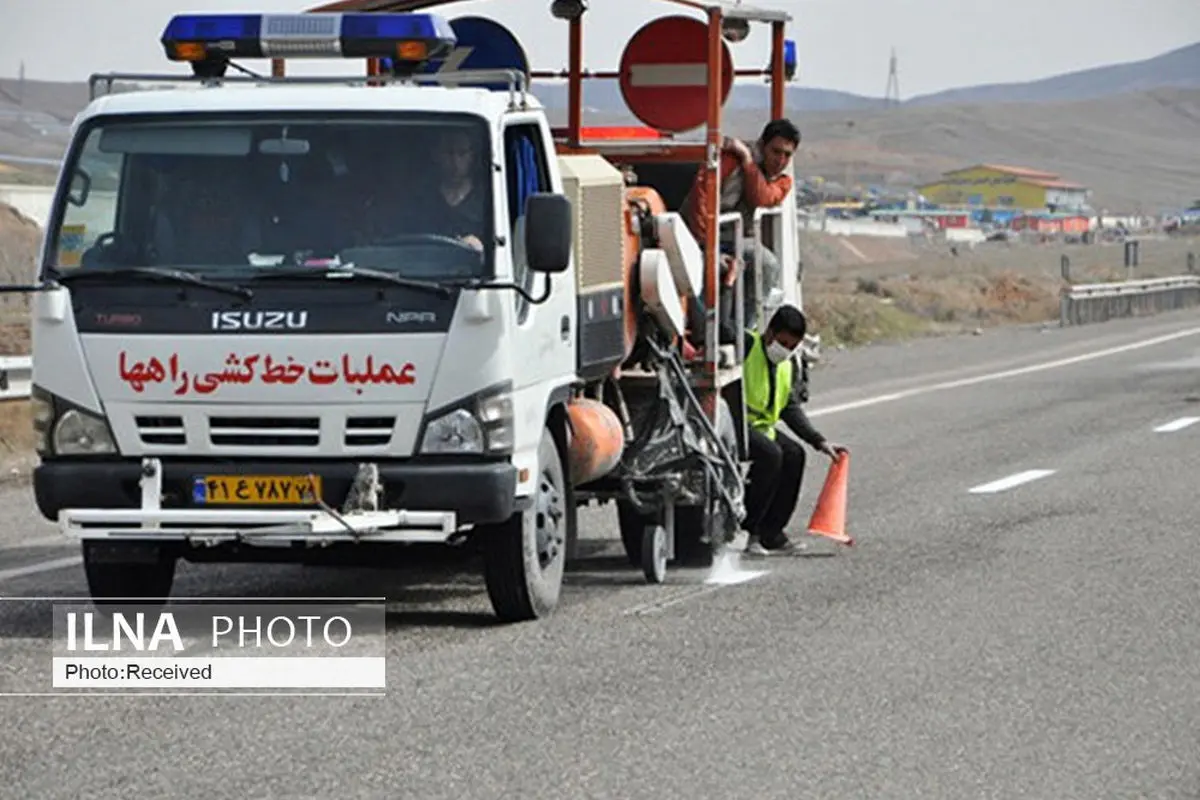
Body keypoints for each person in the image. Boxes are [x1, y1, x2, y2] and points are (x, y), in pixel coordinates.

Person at [734, 304, 847, 555]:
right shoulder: (747, 346)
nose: (786, 351)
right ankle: (748, 531)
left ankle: (772, 532)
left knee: (794, 454)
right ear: (770, 333)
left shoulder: (787, 364)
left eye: (792, 347)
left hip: (762, 428)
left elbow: (789, 407)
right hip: (735, 423)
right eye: (783, 343)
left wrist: (818, 440)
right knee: (771, 455)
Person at [680, 118, 801, 332]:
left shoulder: (782, 180)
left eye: (787, 155)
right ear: (763, 145)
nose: (780, 160)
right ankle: (699, 332)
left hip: (735, 238)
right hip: (698, 233)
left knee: (767, 264)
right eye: (776, 152)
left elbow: (762, 197)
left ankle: (742, 331)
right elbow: (702, 196)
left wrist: (747, 161)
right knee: (703, 267)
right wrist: (706, 246)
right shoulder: (729, 160)